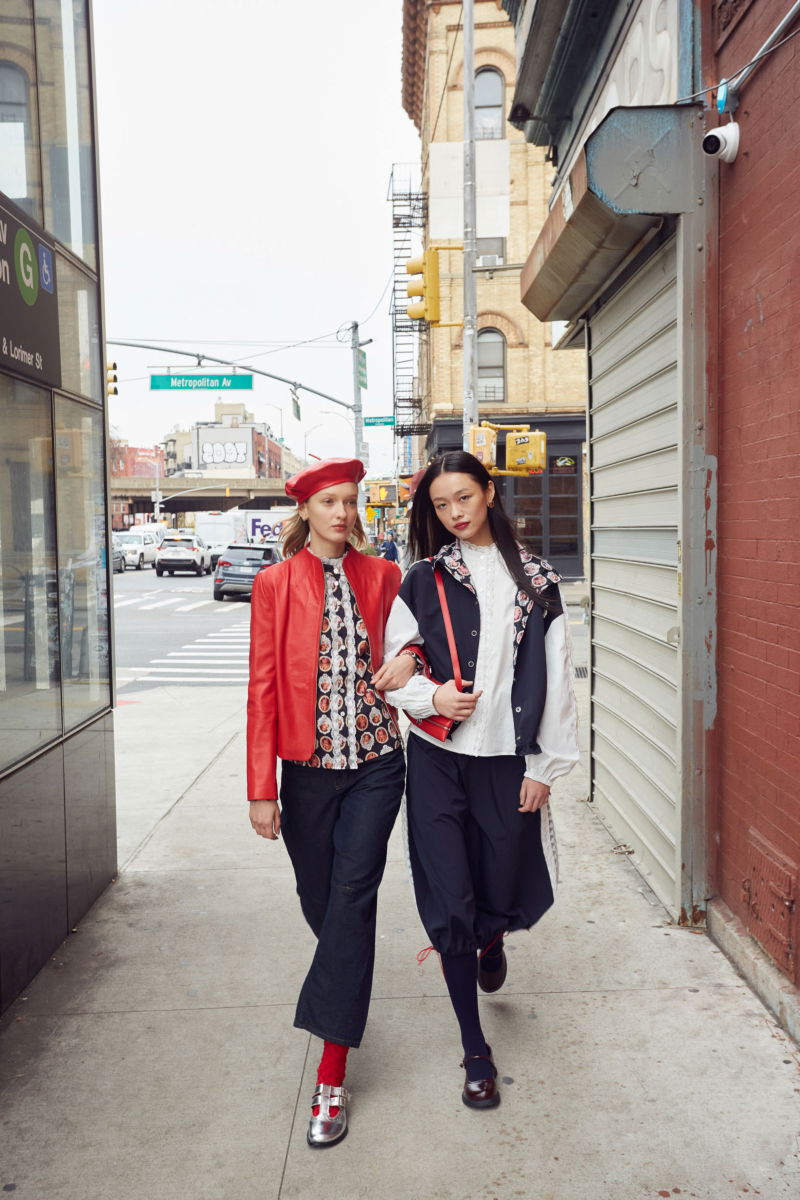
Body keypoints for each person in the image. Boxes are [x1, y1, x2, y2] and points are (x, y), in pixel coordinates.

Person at [381, 450, 579, 1111]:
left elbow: (558, 680)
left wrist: (546, 768)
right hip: (439, 762)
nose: (455, 513)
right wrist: (432, 700)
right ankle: (474, 1050)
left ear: (489, 493)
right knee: (449, 899)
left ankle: (492, 939)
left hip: (506, 764)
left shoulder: (539, 581)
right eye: (441, 505)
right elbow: (395, 668)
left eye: (464, 497)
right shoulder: (423, 580)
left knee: (500, 882)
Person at [247, 458, 416, 1148]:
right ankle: (346, 979)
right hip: (307, 772)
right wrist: (261, 788)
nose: (343, 514)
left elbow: (417, 646)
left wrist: (410, 661)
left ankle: (332, 1072)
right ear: (307, 512)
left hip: (378, 763)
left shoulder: (385, 577)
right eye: (330, 503)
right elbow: (261, 688)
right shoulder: (274, 585)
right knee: (324, 902)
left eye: (350, 502)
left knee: (350, 898)